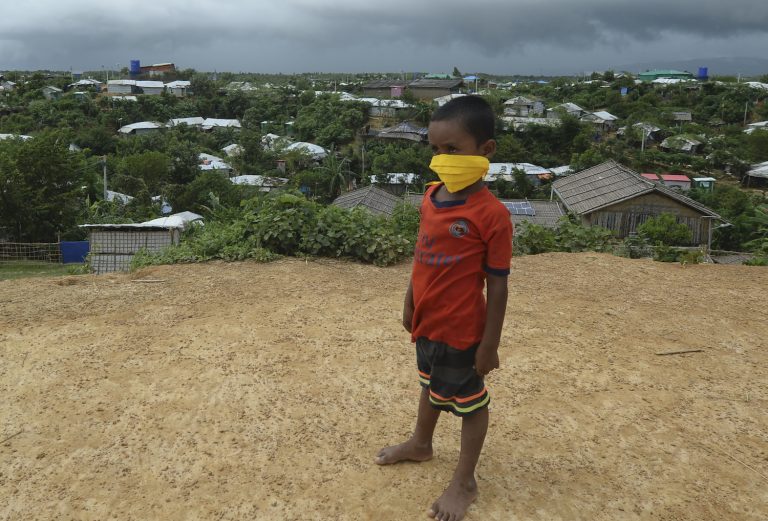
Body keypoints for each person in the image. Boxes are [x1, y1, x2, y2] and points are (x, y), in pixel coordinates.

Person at [375, 95, 513, 521]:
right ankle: (421, 443)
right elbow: (422, 253)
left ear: (485, 150)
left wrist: (489, 345)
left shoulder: (492, 215)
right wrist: (409, 300)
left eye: (452, 150)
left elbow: (498, 285)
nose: (442, 159)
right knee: (429, 384)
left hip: (463, 330)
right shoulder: (432, 197)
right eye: (435, 150)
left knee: (470, 404)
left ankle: (466, 481)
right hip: (428, 322)